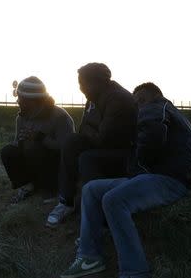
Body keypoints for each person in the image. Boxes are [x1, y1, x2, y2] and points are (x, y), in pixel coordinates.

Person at [60, 82, 191, 278]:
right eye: (136, 103)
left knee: (114, 200)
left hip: (168, 180)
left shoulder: (157, 107)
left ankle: (135, 272)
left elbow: (152, 137)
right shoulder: (172, 114)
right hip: (152, 176)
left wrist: (137, 163)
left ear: (150, 97)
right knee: (91, 189)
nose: (137, 107)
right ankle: (89, 256)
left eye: (140, 101)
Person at [46, 63, 137, 227]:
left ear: (98, 82)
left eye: (83, 83)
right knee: (71, 141)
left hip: (123, 153)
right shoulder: (94, 97)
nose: (80, 88)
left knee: (87, 159)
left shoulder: (118, 99)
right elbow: (84, 131)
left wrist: (89, 130)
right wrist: (90, 130)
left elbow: (104, 139)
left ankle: (95, 216)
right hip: (103, 146)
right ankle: (66, 201)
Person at [0, 76, 75, 203]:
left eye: (21, 98)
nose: (17, 101)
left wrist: (40, 138)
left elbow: (66, 148)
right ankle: (27, 185)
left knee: (34, 148)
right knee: (8, 151)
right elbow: (16, 143)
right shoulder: (22, 118)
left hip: (55, 166)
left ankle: (50, 189)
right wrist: (20, 142)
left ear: (33, 101)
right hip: (33, 162)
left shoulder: (59, 116)